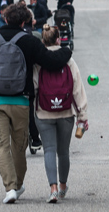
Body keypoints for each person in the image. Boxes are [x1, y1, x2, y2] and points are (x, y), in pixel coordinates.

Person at [0, 5, 73, 204]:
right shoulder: (29, 42)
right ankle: (17, 184)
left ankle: (10, 188)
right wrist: (66, 51)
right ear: (24, 22)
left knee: (2, 146)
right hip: (21, 102)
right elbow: (51, 61)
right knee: (19, 146)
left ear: (5, 19)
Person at [33, 25, 88, 203]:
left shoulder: (38, 61)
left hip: (43, 112)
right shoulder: (69, 61)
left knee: (49, 150)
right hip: (66, 113)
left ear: (43, 41)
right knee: (63, 151)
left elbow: (34, 87)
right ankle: (63, 186)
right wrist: (82, 116)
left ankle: (53, 189)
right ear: (59, 40)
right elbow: (77, 89)